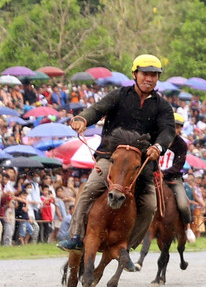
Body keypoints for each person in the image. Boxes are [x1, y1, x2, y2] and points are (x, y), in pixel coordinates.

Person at [57, 54, 176, 271]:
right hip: (110, 157)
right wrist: (83, 118)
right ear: (135, 74)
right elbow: (97, 109)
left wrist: (158, 147)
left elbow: (168, 130)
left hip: (141, 166)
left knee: (150, 206)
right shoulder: (119, 95)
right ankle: (75, 236)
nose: (149, 79)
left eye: (154, 75)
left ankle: (126, 248)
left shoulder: (163, 107)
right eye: (145, 74)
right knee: (90, 188)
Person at [157, 113, 197, 243]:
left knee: (183, 204)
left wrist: (165, 173)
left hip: (173, 179)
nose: (178, 130)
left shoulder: (181, 145)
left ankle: (187, 227)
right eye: (175, 126)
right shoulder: (157, 139)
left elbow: (179, 164)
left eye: (180, 127)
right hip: (155, 177)